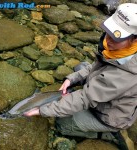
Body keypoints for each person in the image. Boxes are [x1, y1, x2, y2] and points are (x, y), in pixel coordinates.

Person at [24, 3, 137, 150]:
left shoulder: (125, 75)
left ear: (135, 39)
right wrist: (71, 79)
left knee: (62, 124)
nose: (108, 40)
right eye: (108, 32)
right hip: (107, 91)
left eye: (116, 37)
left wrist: (42, 110)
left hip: (109, 115)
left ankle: (111, 133)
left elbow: (85, 98)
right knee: (81, 67)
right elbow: (95, 67)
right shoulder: (121, 51)